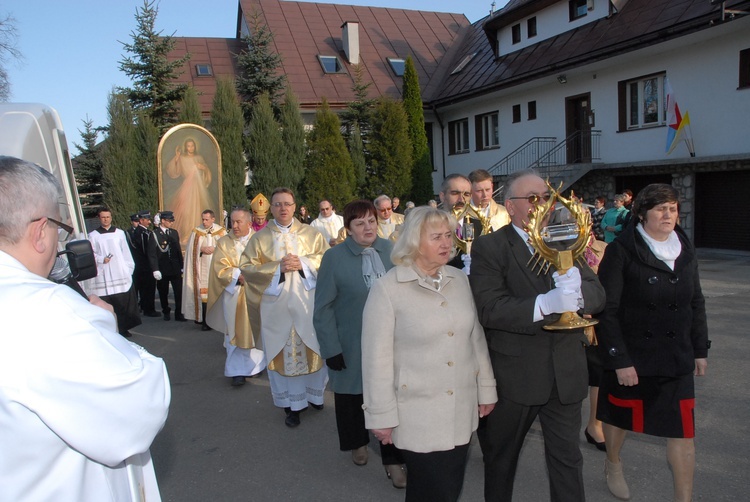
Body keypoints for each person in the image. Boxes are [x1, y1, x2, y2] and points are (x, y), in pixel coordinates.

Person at [0, 156, 170, 501]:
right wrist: (104, 326)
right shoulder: (49, 310)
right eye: (59, 230)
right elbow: (140, 408)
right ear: (39, 233)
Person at [469, 169, 606, 502]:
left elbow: (598, 294)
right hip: (517, 375)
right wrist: (544, 304)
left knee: (568, 460)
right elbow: (490, 308)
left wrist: (576, 296)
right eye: (532, 199)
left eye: (546, 197)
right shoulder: (491, 247)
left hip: (566, 371)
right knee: (502, 460)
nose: (541, 204)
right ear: (509, 205)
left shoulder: (563, 238)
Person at [361, 206, 497, 502]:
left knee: (448, 488)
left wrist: (486, 388)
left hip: (460, 409)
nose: (446, 243)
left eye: (449, 235)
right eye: (436, 237)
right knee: (431, 490)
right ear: (413, 241)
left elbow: (475, 337)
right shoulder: (388, 289)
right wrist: (380, 416)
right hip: (417, 415)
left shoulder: (458, 279)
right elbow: (376, 361)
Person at [595, 183, 710, 502]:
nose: (668, 215)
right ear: (642, 213)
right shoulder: (622, 250)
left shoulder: (685, 248)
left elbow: (696, 300)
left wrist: (700, 349)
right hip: (634, 355)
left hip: (676, 357)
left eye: (672, 208)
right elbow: (608, 309)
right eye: (661, 209)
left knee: (684, 431)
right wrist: (619, 360)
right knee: (620, 420)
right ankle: (613, 463)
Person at [313, 200, 407, 488]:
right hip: (350, 341)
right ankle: (357, 443)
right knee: (352, 398)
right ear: (348, 230)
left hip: (389, 342)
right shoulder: (334, 258)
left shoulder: (391, 251)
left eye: (371, 221)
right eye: (360, 223)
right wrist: (331, 348)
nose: (368, 228)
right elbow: (323, 308)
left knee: (390, 399)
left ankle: (393, 460)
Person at [240, 187, 329, 427]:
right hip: (276, 307)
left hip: (307, 303)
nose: (283, 208)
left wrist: (304, 263)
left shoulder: (312, 234)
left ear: (294, 205)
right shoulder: (259, 238)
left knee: (312, 348)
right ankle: (292, 405)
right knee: (284, 354)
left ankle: (315, 395)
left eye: (287, 204)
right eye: (278, 204)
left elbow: (326, 259)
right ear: (271, 207)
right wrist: (277, 268)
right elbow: (247, 267)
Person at [206, 207, 266, 387]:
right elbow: (218, 267)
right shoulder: (224, 242)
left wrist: (254, 275)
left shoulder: (261, 240)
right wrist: (237, 275)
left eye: (239, 222)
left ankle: (257, 366)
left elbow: (268, 263)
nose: (235, 225)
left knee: (257, 328)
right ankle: (236, 371)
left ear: (249, 223)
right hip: (235, 292)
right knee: (234, 330)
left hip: (255, 292)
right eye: (233, 222)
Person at [86, 207, 141, 337]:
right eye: (103, 217)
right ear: (99, 218)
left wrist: (128, 269)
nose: (106, 219)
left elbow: (125, 252)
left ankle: (123, 328)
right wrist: (100, 259)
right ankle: (110, 329)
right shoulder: (93, 235)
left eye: (108, 217)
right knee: (107, 303)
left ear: (111, 218)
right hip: (104, 273)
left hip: (119, 272)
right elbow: (91, 254)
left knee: (122, 303)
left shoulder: (120, 233)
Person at [166, 137, 217, 245]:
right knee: (187, 211)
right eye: (188, 146)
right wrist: (177, 157)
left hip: (198, 188)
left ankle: (199, 234)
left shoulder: (199, 157)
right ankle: (186, 234)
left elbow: (207, 171)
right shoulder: (182, 158)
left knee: (198, 209)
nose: (191, 148)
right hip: (187, 187)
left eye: (192, 145)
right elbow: (174, 171)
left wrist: (202, 167)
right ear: (186, 147)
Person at [183, 209, 226, 330]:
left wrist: (215, 248)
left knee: (216, 294)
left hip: (216, 269)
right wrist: (201, 249)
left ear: (213, 219)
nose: (204, 222)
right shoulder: (197, 231)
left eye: (207, 219)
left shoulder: (221, 232)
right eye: (203, 219)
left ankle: (217, 320)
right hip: (201, 269)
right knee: (203, 295)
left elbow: (227, 249)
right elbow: (192, 249)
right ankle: (203, 320)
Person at [148, 211, 186, 322]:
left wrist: (181, 265)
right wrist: (155, 269)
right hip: (162, 268)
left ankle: (179, 313)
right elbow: (152, 254)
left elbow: (178, 250)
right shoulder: (154, 234)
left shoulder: (174, 233)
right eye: (169, 221)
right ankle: (166, 311)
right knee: (163, 292)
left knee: (178, 292)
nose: (171, 223)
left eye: (172, 221)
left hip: (175, 268)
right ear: (163, 221)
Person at [438, 174, 480, 274]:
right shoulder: (430, 227)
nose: (461, 199)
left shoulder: (482, 226)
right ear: (442, 196)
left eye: (466, 194)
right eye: (455, 193)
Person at [133, 211, 160, 318]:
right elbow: (146, 250)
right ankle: (149, 309)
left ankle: (146, 307)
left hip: (143, 266)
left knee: (146, 289)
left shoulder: (143, 231)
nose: (149, 222)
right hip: (145, 266)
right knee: (148, 288)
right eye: (147, 220)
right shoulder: (142, 233)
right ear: (141, 220)